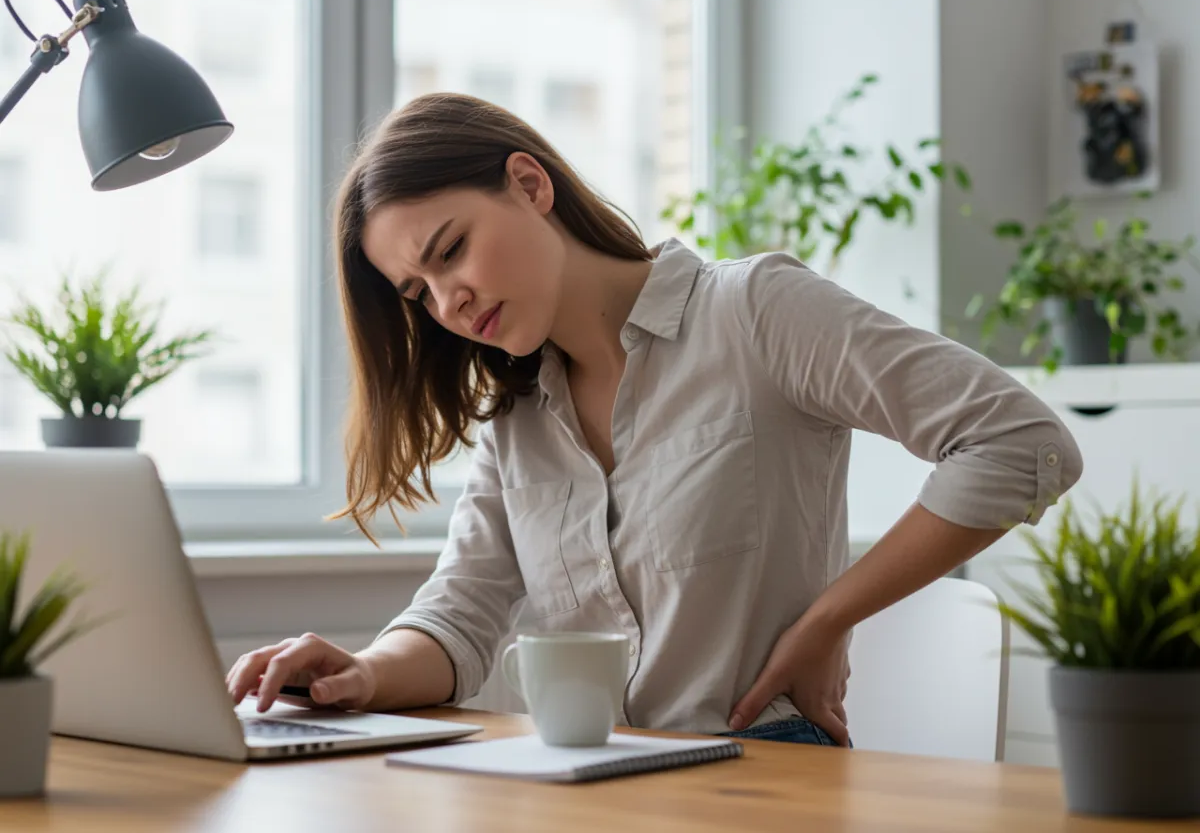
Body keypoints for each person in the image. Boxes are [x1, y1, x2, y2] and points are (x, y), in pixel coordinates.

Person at [226, 93, 1083, 748]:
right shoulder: (518, 414)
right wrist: (360, 675)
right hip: (582, 772)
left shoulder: (754, 314)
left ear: (530, 185)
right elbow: (464, 612)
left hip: (759, 763)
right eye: (418, 293)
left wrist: (827, 619)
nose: (447, 301)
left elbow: (1018, 441)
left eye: (450, 250)